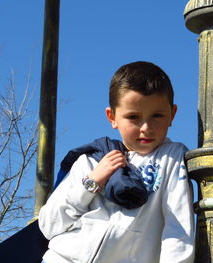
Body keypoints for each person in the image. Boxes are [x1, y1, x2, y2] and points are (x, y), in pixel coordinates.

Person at [38, 61, 195, 263]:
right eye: (133, 117)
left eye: (157, 115)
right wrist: (90, 184)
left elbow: (178, 230)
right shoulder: (89, 161)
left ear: (172, 114)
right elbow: (49, 225)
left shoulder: (171, 158)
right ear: (112, 117)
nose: (146, 127)